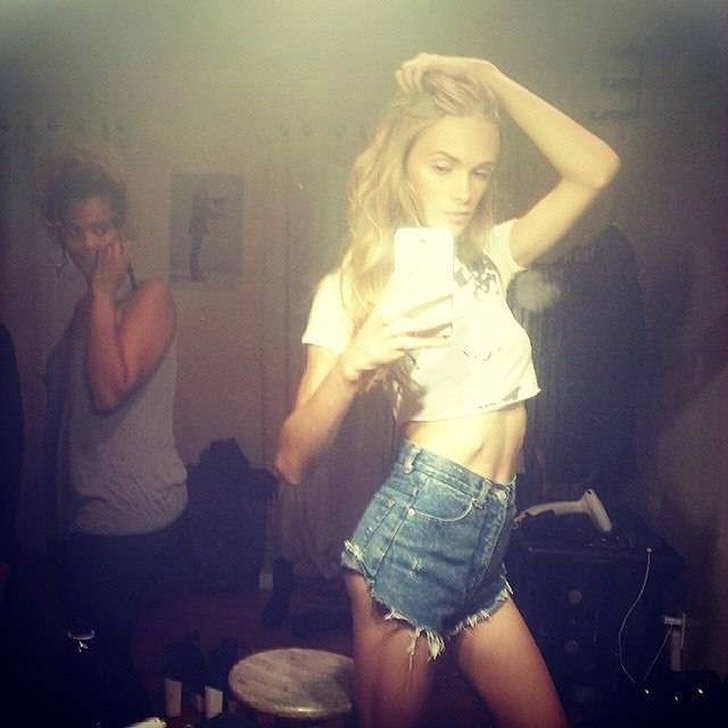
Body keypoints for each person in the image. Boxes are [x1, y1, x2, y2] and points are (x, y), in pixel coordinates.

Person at [274, 53, 619, 728]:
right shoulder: (351, 287)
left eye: (480, 171)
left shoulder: (492, 255)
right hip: (419, 533)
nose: (464, 190)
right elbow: (291, 459)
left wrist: (491, 77)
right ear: (403, 164)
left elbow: (596, 169)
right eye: (443, 166)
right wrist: (355, 362)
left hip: (487, 542)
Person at [40, 149, 189, 727]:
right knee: (86, 653)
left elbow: (107, 391)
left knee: (102, 657)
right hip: (82, 517)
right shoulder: (87, 311)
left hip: (130, 516)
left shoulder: (149, 297)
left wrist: (102, 291)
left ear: (121, 232)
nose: (89, 243)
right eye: (75, 231)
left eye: (100, 228)